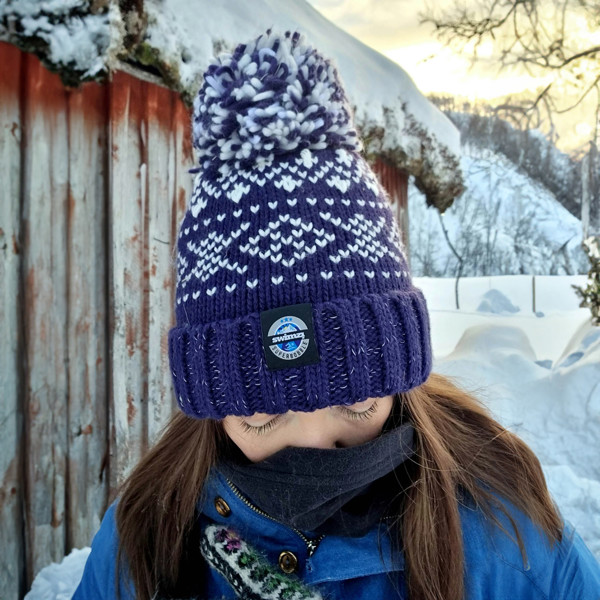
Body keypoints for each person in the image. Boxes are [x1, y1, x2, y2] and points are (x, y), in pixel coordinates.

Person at [72, 30, 600, 600]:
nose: (316, 445)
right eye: (261, 417)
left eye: (356, 402)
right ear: (212, 405)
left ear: (398, 378)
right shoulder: (142, 543)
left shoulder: (510, 543)